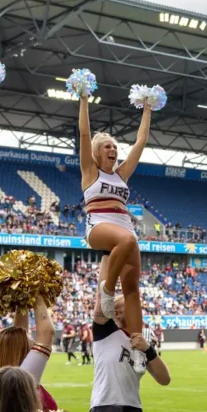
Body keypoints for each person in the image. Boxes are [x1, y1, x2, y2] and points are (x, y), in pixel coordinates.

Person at [77, 83, 152, 374]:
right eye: (107, 146)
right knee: (127, 240)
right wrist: (84, 98)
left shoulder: (122, 175)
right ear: (96, 153)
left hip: (123, 229)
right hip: (98, 225)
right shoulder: (90, 171)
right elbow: (84, 132)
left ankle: (137, 350)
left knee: (133, 291)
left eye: (115, 147)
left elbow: (141, 141)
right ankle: (107, 290)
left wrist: (147, 108)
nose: (113, 149)